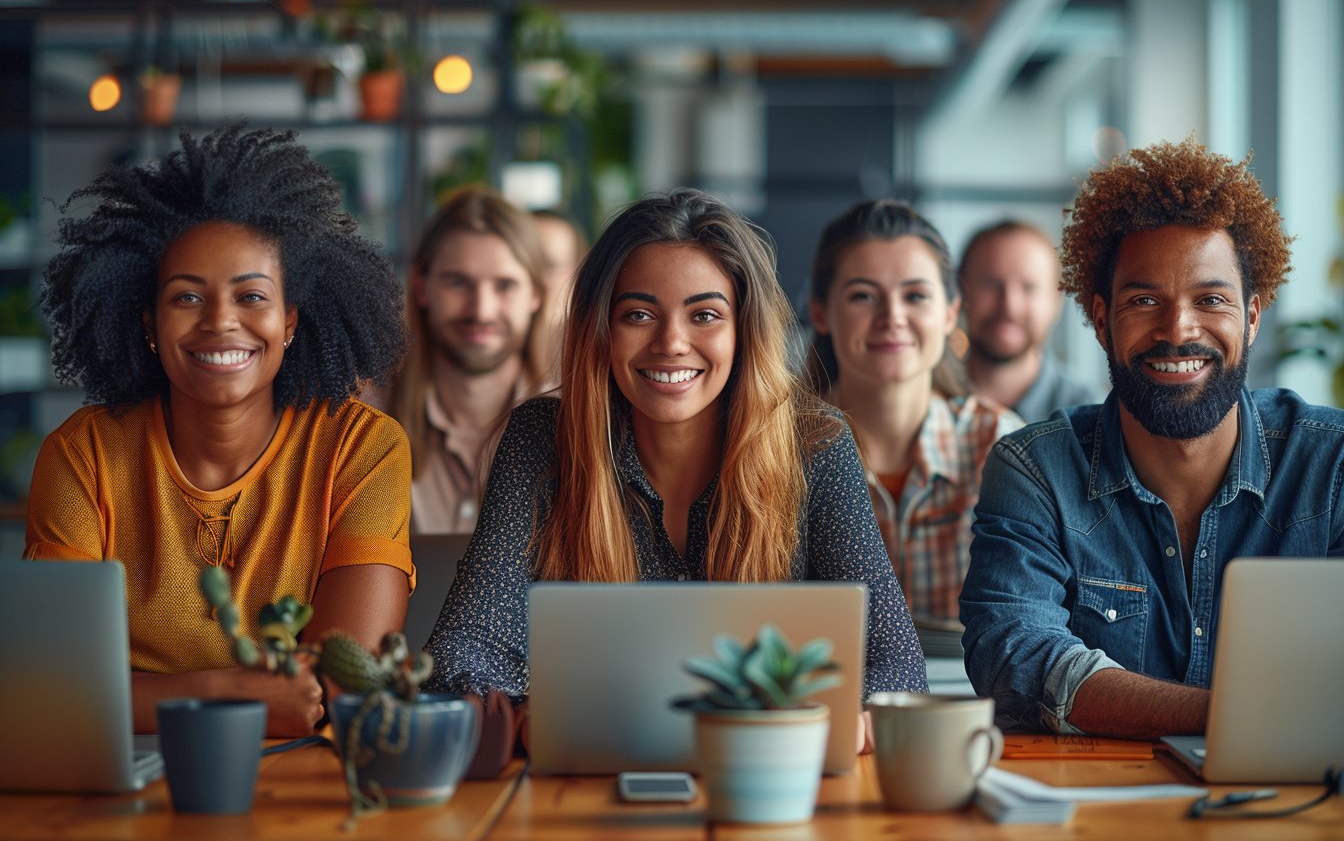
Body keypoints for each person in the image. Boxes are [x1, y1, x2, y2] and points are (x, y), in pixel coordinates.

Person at [424, 189, 928, 750]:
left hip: (768, 774)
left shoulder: (817, 444)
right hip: (592, 784)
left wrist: (854, 719)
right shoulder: (542, 441)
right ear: (601, 329)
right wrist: (522, 714)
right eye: (638, 314)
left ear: (745, 330)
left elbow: (895, 665)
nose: (671, 343)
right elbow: (464, 650)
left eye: (705, 315)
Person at [24, 124, 413, 737]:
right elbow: (51, 686)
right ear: (149, 324)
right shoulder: (84, 454)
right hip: (123, 786)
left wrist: (137, 696)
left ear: (289, 322)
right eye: (186, 298)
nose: (220, 323)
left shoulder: (360, 447)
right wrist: (231, 692)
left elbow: (337, 688)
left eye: (251, 296)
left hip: (306, 790)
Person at [960, 138, 1344, 739]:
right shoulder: (1036, 468)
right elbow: (1013, 650)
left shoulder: (1331, 462)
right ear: (1099, 317)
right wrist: (1236, 718)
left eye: (1210, 299)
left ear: (1252, 315)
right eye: (1144, 301)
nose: (1177, 329)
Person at [805, 201, 1022, 622]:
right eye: (863, 296)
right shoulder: (778, 448)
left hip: (970, 689)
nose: (892, 317)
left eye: (916, 295)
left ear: (950, 313)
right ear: (821, 312)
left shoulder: (999, 444)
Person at [381, 187, 549, 534]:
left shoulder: (576, 423)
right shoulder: (368, 423)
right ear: (422, 287)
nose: (481, 310)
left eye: (504, 285)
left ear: (535, 293)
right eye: (458, 282)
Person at [958, 220, 1105, 422]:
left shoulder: (1092, 416)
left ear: (1056, 302)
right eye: (990, 284)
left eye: (1029, 287)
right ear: (960, 293)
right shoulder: (924, 400)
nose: (1010, 305)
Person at [527, 207, 587, 379]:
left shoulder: (591, 351)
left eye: (551, 266)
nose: (538, 279)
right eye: (528, 265)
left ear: (578, 271)